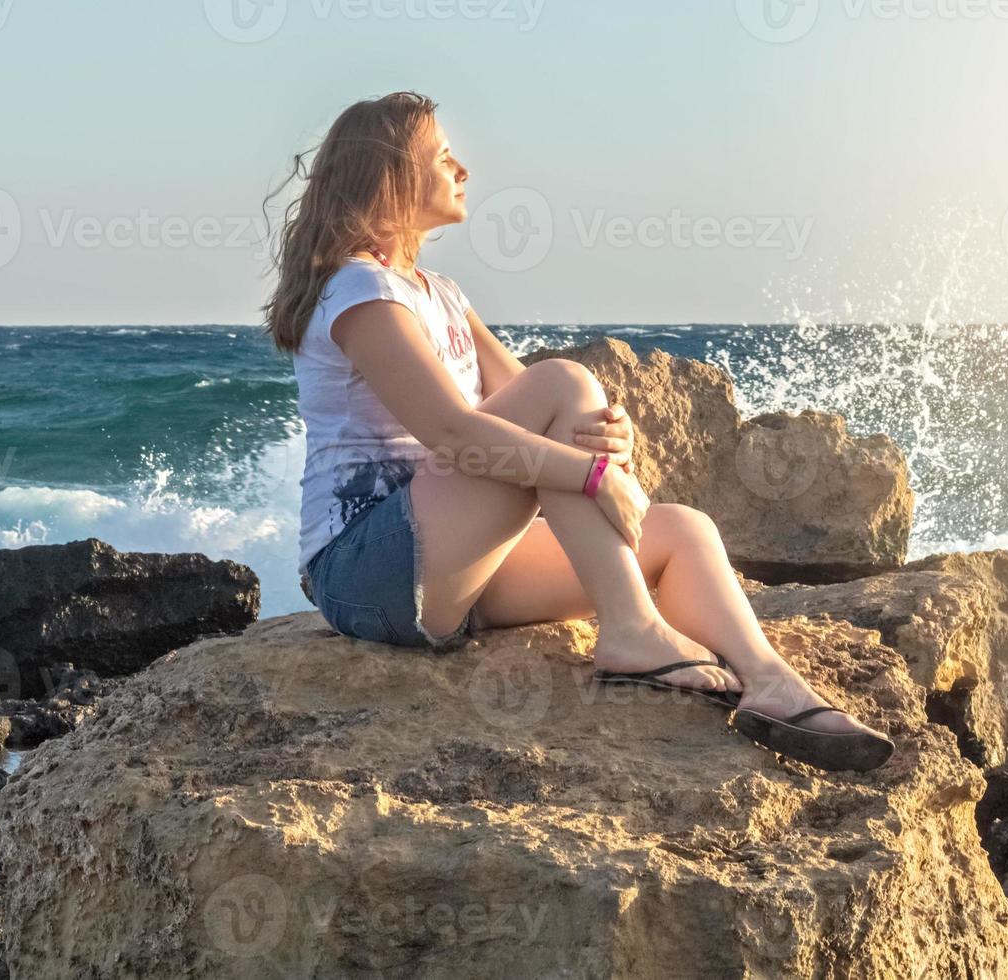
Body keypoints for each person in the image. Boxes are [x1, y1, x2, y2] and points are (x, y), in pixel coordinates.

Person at [263, 91, 893, 772]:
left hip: (450, 563)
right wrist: (591, 472)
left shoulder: (440, 292)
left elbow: (519, 404)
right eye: (443, 157)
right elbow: (454, 433)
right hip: (365, 570)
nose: (463, 169)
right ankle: (628, 630)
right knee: (562, 382)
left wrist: (603, 437)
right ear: (391, 176)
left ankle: (770, 682)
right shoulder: (360, 290)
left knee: (682, 532)